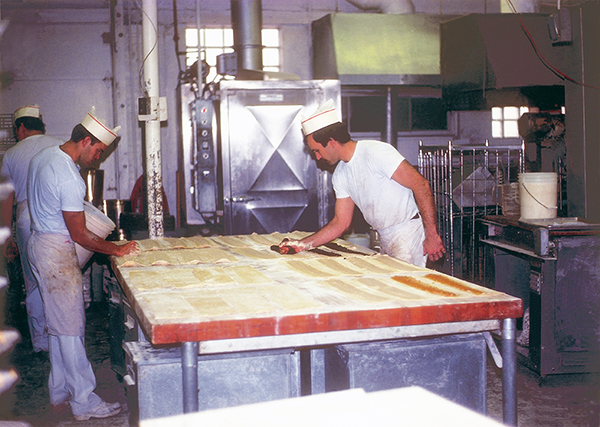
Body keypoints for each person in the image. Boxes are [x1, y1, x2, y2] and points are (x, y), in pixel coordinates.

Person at [27, 107, 139, 421]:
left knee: (57, 327)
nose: (99, 158)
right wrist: (115, 250)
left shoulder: (46, 156)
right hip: (57, 253)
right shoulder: (69, 176)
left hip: (39, 242)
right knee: (71, 329)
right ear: (86, 140)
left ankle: (59, 392)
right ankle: (84, 401)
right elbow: (79, 233)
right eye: (99, 151)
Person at [279, 100, 445, 267]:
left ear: (331, 142)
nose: (318, 157)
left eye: (317, 151)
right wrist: (302, 244)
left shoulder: (376, 153)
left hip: (408, 233)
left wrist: (431, 234)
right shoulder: (340, 174)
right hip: (383, 236)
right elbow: (340, 222)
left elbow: (420, 184)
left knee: (409, 288)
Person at [0, 105, 63, 354]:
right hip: (58, 215)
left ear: (21, 128)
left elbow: (6, 199)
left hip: (26, 217)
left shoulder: (12, 153)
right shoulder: (59, 145)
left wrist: (7, 237)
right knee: (59, 277)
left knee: (33, 281)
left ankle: (40, 341)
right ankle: (62, 337)